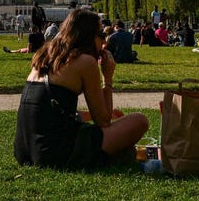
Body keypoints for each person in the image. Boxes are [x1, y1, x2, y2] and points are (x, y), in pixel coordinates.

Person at [13, 9, 149, 169]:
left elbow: (50, 110)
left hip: (25, 151)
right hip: (55, 153)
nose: (104, 42)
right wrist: (107, 77)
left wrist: (89, 115)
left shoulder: (46, 55)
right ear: (88, 36)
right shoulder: (85, 62)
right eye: (101, 35)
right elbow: (103, 121)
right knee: (139, 121)